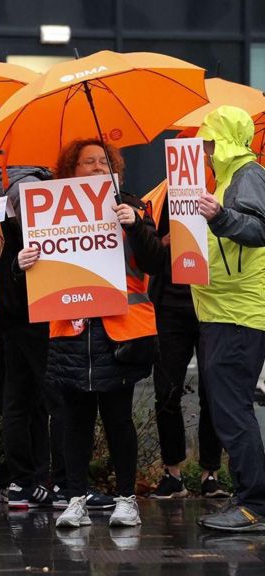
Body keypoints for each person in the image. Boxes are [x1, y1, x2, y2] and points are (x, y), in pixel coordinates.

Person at [17, 139, 157, 529]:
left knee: (118, 419)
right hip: (71, 331)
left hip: (121, 332)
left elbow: (155, 262)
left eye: (104, 162)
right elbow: (36, 271)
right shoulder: (51, 210)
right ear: (71, 170)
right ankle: (75, 498)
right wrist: (22, 262)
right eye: (88, 162)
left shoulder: (134, 205)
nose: (97, 168)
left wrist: (135, 226)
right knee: (73, 420)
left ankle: (126, 499)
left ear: (116, 170)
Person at [191, 106, 265, 532]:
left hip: (238, 312)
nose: (202, 149)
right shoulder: (225, 179)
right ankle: (249, 498)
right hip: (224, 310)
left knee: (232, 410)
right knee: (228, 409)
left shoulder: (247, 174)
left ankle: (254, 503)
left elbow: (257, 229)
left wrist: (218, 216)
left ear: (223, 140)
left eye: (207, 141)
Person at [141, 173, 228, 500]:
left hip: (213, 303)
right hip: (171, 306)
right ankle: (173, 473)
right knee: (166, 391)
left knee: (214, 392)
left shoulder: (225, 191)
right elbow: (147, 250)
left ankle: (211, 473)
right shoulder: (161, 194)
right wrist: (164, 241)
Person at [0, 165, 63, 509]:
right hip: (25, 321)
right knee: (33, 402)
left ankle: (32, 481)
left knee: (31, 402)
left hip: (34, 319)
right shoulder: (5, 226)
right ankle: (35, 480)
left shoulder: (7, 214)